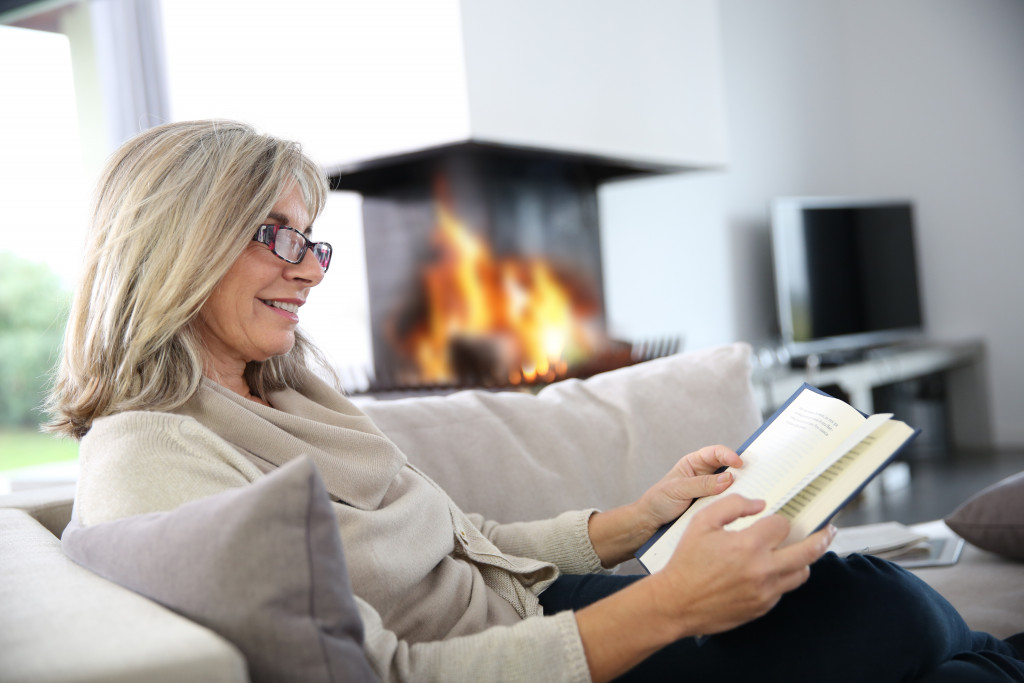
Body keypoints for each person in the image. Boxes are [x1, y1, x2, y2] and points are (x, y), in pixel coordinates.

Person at [46, 119, 1023, 682]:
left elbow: (459, 538)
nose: (308, 271)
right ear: (170, 241)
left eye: (315, 240)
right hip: (534, 661)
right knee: (868, 605)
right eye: (277, 235)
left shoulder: (289, 389)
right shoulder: (151, 456)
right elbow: (392, 673)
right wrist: (667, 603)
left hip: (537, 606)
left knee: (842, 589)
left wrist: (637, 518)